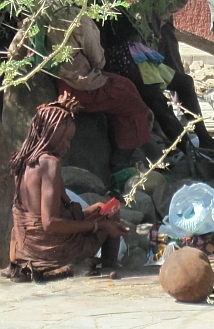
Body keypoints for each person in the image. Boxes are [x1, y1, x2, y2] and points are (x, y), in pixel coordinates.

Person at [3, 94, 129, 282]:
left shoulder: (23, 161)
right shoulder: (50, 163)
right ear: (49, 134)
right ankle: (110, 267)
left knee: (102, 207)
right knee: (112, 213)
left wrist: (88, 214)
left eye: (69, 140)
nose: (67, 146)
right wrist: (99, 225)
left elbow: (44, 214)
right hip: (49, 252)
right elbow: (50, 223)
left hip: (26, 248)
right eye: (65, 139)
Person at [101, 13, 214, 155]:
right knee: (160, 103)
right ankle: (191, 153)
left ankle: (204, 139)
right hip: (124, 59)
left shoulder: (114, 1)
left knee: (185, 83)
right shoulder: (96, 10)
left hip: (136, 52)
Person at [44, 7, 152, 166]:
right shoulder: (76, 16)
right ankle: (121, 162)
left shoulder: (42, 15)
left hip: (61, 82)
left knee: (126, 85)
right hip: (81, 86)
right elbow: (98, 58)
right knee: (135, 106)